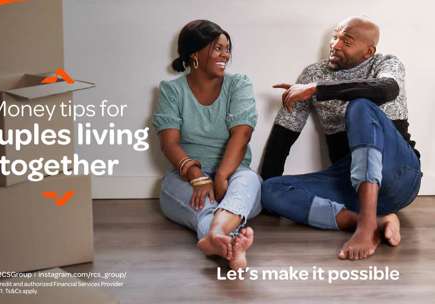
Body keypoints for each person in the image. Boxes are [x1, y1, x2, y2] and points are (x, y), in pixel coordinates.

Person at [260, 16, 422, 260]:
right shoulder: (313, 73)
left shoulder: (386, 64)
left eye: (346, 41)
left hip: (399, 174)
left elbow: (387, 89)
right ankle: (375, 221)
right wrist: (266, 199)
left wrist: (318, 89)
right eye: (335, 37)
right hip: (349, 183)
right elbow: (285, 132)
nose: (335, 44)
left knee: (360, 106)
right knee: (271, 189)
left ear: (368, 51)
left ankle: (365, 228)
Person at [153, 20, 262, 269]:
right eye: (217, 48)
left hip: (234, 172)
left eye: (227, 48)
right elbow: (169, 143)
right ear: (194, 54)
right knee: (205, 208)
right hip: (186, 177)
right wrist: (196, 176)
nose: (225, 54)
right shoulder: (172, 90)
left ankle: (215, 239)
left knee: (250, 181)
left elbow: (242, 133)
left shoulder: (238, 84)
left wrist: (222, 175)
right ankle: (230, 247)